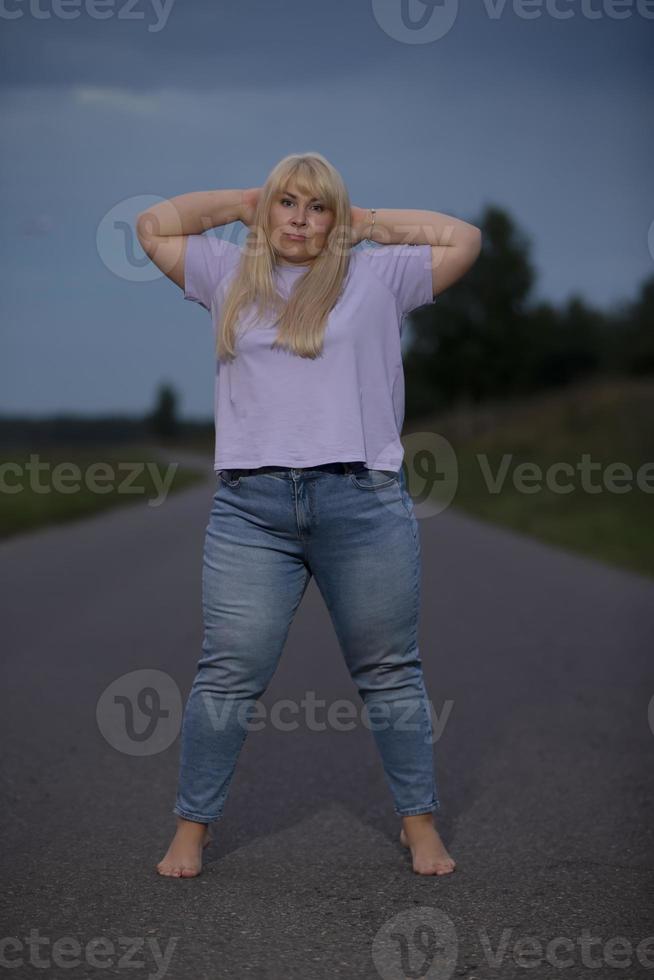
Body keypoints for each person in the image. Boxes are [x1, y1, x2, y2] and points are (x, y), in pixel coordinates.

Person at [136, 151, 482, 879]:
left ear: (336, 215)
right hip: (251, 511)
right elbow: (152, 225)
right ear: (269, 211)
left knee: (389, 670)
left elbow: (464, 239)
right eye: (288, 204)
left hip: (361, 500)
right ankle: (190, 832)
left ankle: (419, 826)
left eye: (317, 207)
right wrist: (241, 202)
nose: (301, 219)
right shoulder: (226, 272)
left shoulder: (377, 277)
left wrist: (368, 225)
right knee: (228, 673)